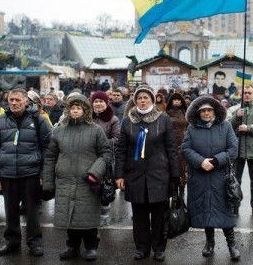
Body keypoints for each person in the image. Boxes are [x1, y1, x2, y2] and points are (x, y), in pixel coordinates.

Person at [43, 93, 112, 261]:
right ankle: (72, 246)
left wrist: (95, 172)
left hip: (88, 182)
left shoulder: (95, 130)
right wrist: (48, 182)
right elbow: (50, 156)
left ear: (85, 110)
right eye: (72, 108)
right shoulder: (59, 130)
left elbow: (106, 153)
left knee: (87, 216)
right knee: (69, 216)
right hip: (65, 181)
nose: (75, 111)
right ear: (68, 110)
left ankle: (91, 246)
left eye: (78, 108)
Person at [115, 85, 180, 262]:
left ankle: (159, 248)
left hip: (159, 174)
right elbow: (121, 150)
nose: (142, 101)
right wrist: (119, 175)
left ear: (152, 100)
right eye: (139, 98)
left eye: (146, 98)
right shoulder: (128, 121)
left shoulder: (163, 119)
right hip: (135, 175)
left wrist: (176, 175)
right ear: (135, 101)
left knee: (159, 215)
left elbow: (171, 148)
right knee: (140, 216)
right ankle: (142, 248)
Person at [0, 88, 52, 257]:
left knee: (32, 212)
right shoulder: (1, 121)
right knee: (11, 211)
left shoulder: (38, 120)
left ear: (26, 101)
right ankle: (12, 242)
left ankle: (34, 242)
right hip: (7, 174)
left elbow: (48, 149)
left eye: (17, 100)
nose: (14, 103)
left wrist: (44, 174)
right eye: (11, 100)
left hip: (30, 174)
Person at [181, 96, 240, 261]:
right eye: (203, 111)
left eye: (209, 110)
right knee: (206, 210)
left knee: (225, 212)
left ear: (215, 111)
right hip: (200, 176)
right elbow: (185, 148)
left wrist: (216, 160)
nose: (206, 113)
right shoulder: (192, 129)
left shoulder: (226, 126)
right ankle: (209, 242)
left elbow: (233, 149)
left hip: (221, 177)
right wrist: (200, 161)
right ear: (198, 113)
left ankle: (232, 245)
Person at [227, 85, 253, 216]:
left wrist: (249, 128)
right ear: (240, 94)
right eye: (244, 93)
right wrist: (236, 117)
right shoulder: (233, 109)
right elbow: (226, 126)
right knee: (235, 180)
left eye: (249, 93)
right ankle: (235, 205)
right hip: (237, 150)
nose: (247, 95)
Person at [90, 91, 120, 226]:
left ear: (106, 103)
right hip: (88, 157)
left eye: (101, 101)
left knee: (105, 187)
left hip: (105, 158)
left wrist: (100, 142)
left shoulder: (113, 119)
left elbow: (117, 139)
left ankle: (104, 215)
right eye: (95, 101)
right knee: (90, 187)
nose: (98, 104)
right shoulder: (87, 117)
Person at [165, 92, 188, 197]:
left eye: (179, 100)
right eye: (175, 100)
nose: (177, 101)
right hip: (170, 142)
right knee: (171, 167)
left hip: (183, 142)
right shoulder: (166, 113)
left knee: (183, 168)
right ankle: (173, 191)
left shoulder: (186, 113)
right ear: (171, 101)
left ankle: (182, 190)